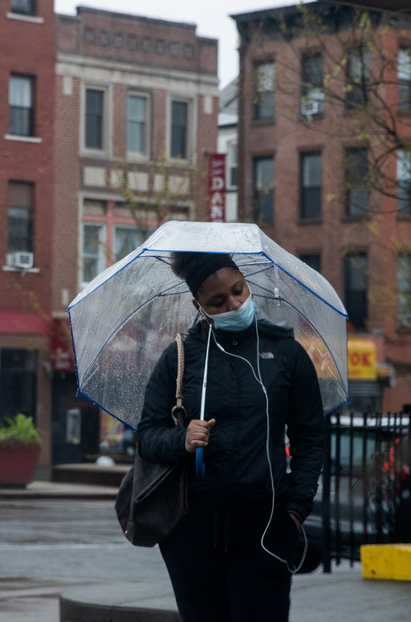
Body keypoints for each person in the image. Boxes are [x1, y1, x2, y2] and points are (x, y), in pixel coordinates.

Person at [136, 251, 326, 621]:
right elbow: (147, 436)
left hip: (264, 524)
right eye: (218, 301)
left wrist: (295, 512)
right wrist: (182, 440)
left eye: (238, 291)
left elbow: (310, 436)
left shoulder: (286, 353)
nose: (234, 304)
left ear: (246, 283)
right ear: (198, 305)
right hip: (191, 530)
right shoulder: (180, 357)